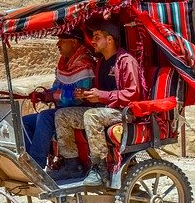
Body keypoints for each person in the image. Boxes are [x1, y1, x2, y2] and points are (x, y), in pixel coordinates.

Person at [54, 19, 142, 186]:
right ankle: (72, 164)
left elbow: (132, 93)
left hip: (123, 112)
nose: (92, 41)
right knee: (62, 115)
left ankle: (99, 169)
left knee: (92, 116)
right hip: (103, 110)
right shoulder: (100, 62)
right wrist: (86, 95)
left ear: (109, 40)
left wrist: (101, 96)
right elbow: (99, 93)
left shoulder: (125, 61)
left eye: (97, 37)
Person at [22, 28, 95, 173]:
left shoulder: (85, 64)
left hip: (80, 111)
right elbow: (56, 88)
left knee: (45, 116)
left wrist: (54, 96)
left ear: (74, 42)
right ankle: (27, 159)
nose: (58, 44)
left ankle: (36, 165)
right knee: (25, 122)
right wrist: (43, 95)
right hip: (61, 110)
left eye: (62, 41)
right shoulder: (63, 64)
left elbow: (79, 98)